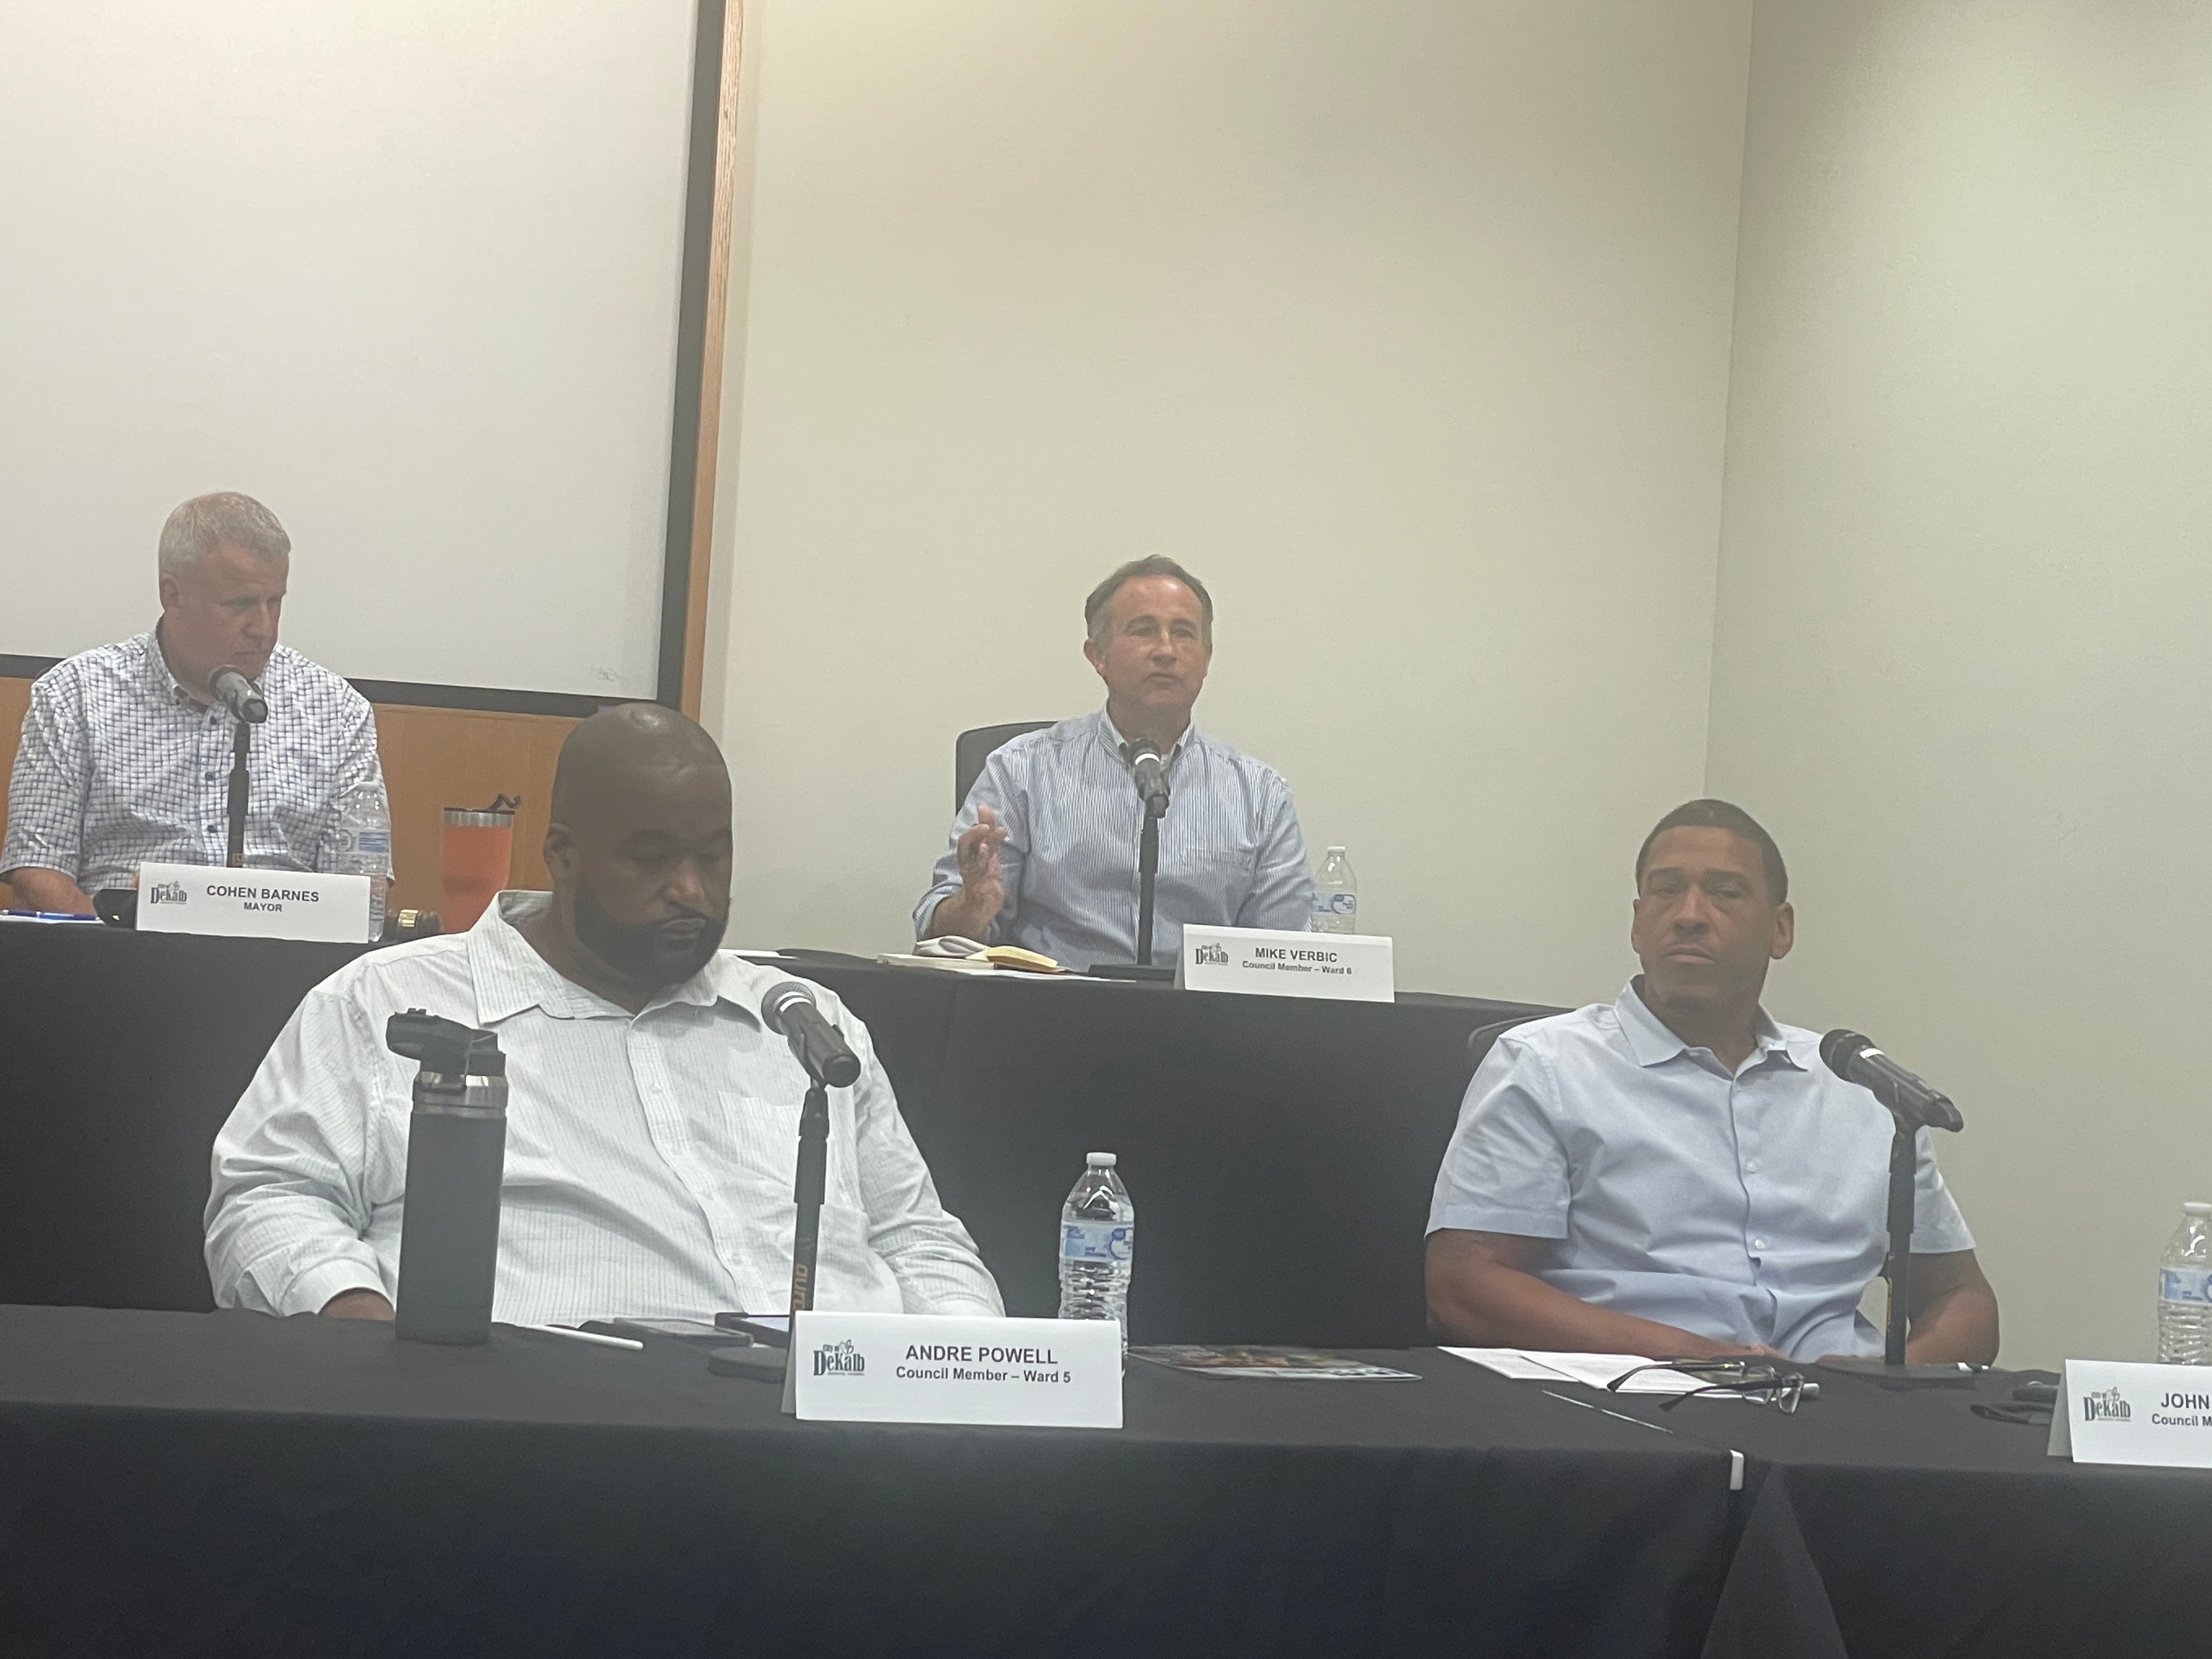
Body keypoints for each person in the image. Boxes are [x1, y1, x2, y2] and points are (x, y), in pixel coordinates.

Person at [207, 703, 1002, 1325]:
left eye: (713, 856)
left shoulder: (801, 1022)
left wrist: (967, 1371)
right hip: (554, 1442)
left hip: (852, 1442)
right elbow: (269, 1200)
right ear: (561, 856)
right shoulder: (384, 1004)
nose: (691, 887)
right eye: (652, 859)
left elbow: (912, 1237)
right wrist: (360, 1328)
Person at [1425, 799, 1999, 1363]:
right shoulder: (1547, 1065)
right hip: (1637, 1406)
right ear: (1637, 922)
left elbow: (1960, 1296)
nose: (1690, 914)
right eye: (1666, 890)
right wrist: (1696, 1355)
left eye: (1725, 893)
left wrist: (1893, 1386)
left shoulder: (1859, 1089)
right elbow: (1464, 1286)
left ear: (1781, 930)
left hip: (1843, 1419)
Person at [915, 556, 1317, 969]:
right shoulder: (1020, 771)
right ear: (1098, 656)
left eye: (1184, 634)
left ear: (1207, 659)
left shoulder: (1260, 795)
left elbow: (1285, 957)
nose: (1166, 651)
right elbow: (938, 937)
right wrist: (972, 907)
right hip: (1049, 1017)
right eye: (1144, 631)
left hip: (1204, 1024)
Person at [1, 492, 386, 912]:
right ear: (174, 595)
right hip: (117, 956)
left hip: (281, 965)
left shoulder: (336, 711)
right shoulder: (73, 696)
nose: (264, 628)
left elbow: (362, 892)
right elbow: (36, 873)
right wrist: (116, 935)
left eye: (274, 602)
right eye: (240, 605)